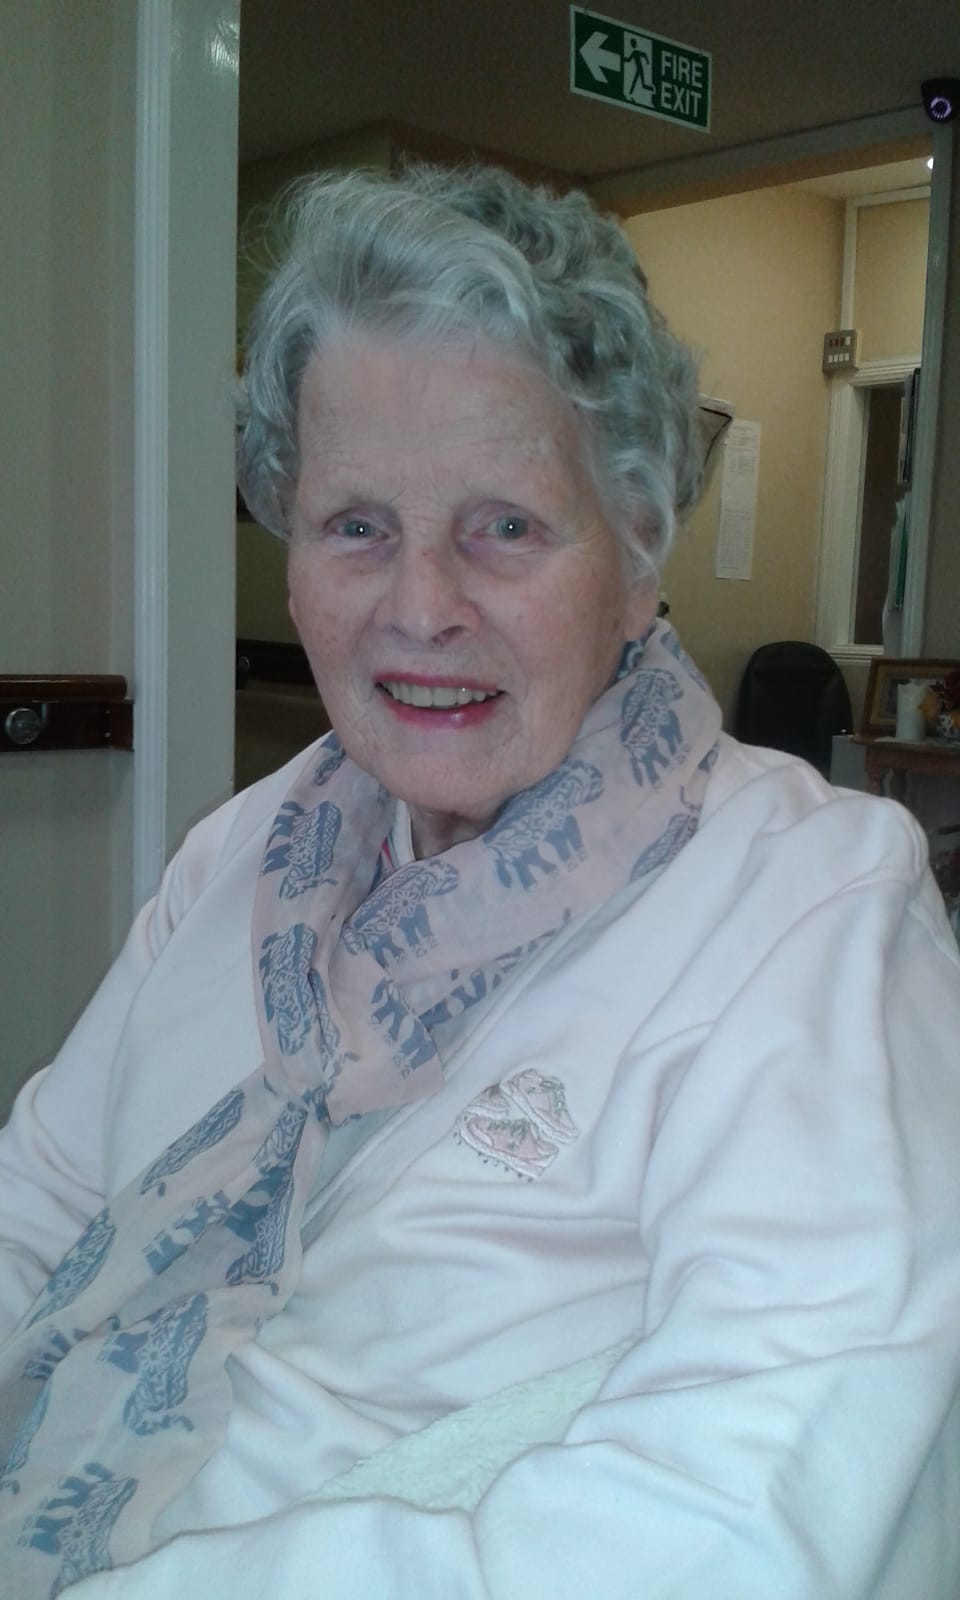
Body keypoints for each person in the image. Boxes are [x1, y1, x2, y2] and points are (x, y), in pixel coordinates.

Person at [0, 164, 958, 1600]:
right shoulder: (247, 853)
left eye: (506, 524)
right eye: (356, 524)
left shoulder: (811, 904)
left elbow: (748, 1501)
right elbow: (41, 1201)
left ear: (636, 557)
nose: (422, 605)